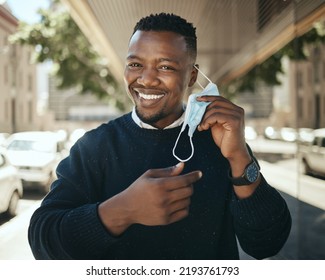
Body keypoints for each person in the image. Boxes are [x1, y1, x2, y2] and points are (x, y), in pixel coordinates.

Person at [28, 13, 291, 260]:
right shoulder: (94, 146)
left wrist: (238, 157)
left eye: (165, 66)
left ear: (192, 76)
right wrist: (122, 211)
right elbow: (42, 240)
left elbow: (267, 244)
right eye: (135, 64)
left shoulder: (221, 141)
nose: (147, 79)